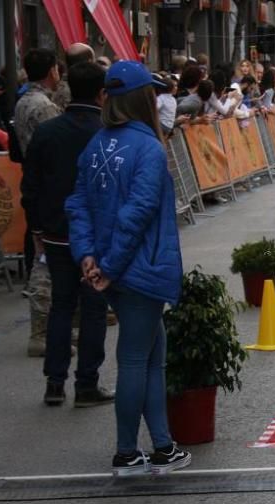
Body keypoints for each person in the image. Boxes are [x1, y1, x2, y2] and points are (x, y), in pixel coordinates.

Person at [66, 60, 190, 477]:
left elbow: (78, 204)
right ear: (143, 99)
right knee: (137, 359)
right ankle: (125, 451)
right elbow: (137, 215)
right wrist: (110, 267)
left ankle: (162, 444)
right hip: (141, 269)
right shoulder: (149, 149)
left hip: (112, 267)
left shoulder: (96, 144)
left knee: (153, 356)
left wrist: (88, 257)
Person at [21, 62, 113, 408]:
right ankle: (87, 383)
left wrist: (37, 228)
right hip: (97, 235)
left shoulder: (48, 131)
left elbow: (30, 186)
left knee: (61, 304)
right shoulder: (107, 133)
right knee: (92, 306)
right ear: (102, 92)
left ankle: (54, 382)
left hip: (57, 232)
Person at [14, 48, 62, 357]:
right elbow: (54, 151)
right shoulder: (44, 107)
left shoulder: (23, 101)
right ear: (51, 71)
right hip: (48, 189)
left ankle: (51, 329)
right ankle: (41, 332)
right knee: (45, 262)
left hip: (37, 185)